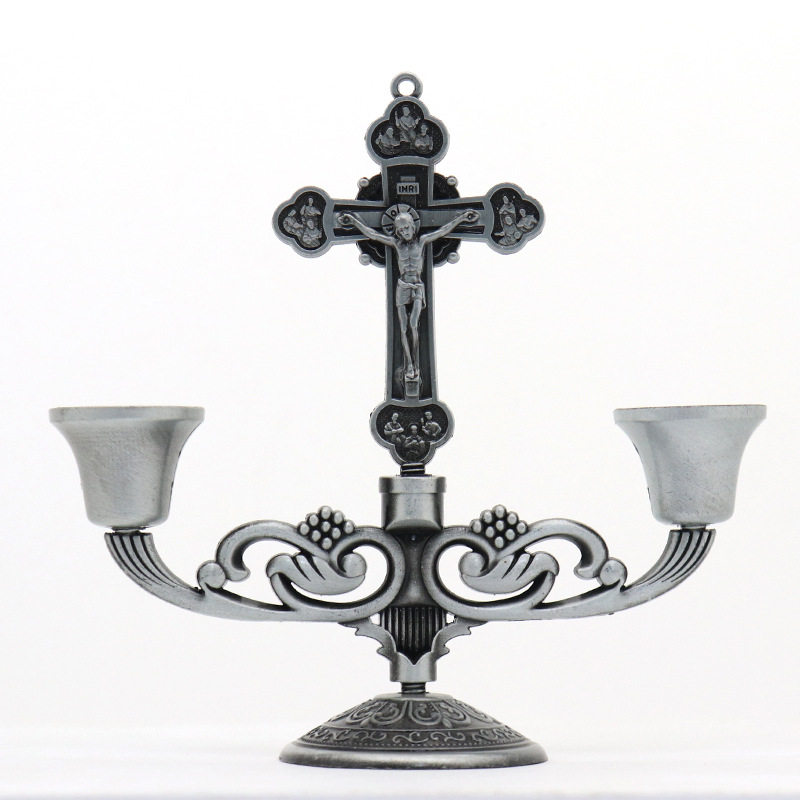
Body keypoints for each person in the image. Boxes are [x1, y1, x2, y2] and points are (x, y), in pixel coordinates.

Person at [337, 206, 479, 384]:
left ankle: (416, 365)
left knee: (414, 324)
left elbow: (443, 231)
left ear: (413, 226)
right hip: (403, 286)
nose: (405, 232)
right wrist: (354, 221)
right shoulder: (397, 244)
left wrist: (462, 218)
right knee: (403, 328)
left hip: (417, 286)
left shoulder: (422, 241)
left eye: (406, 227)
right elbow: (373, 235)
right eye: (401, 229)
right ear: (397, 231)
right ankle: (410, 365)